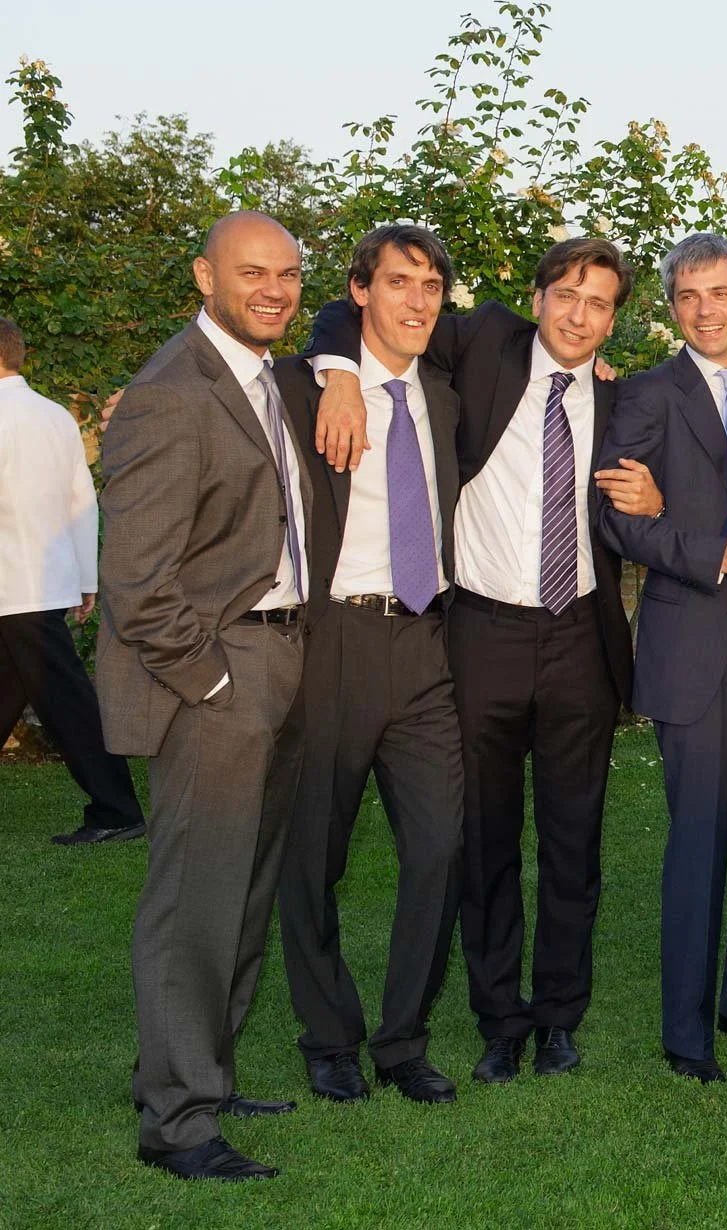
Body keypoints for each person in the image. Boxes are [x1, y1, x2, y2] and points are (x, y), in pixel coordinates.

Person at [306, 238, 635, 1085]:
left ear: (613, 320)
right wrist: (336, 372)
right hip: (481, 634)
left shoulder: (625, 398)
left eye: (599, 304)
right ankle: (500, 1019)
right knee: (482, 840)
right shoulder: (481, 341)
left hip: (580, 639)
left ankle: (559, 1016)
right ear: (536, 296)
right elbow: (364, 314)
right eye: (567, 295)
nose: (579, 316)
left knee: (573, 842)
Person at [99, 211, 311, 1180]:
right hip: (218, 673)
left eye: (287, 273)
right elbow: (136, 580)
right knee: (195, 900)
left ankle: (204, 1076)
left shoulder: (270, 378)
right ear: (204, 276)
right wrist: (212, 679)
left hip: (282, 657)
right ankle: (177, 1123)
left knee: (244, 889)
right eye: (251, 272)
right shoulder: (168, 393)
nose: (273, 289)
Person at [274, 224, 466, 1107]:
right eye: (397, 283)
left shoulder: (448, 394)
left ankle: (403, 1040)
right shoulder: (301, 388)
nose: (417, 301)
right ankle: (328, 1036)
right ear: (359, 291)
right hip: (333, 643)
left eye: (430, 286)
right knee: (313, 854)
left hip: (426, 641)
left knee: (440, 846)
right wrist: (338, 367)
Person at [594, 233, 727, 1083]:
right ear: (671, 307)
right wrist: (716, 551)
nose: (705, 310)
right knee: (700, 840)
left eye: (719, 293)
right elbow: (617, 519)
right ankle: (687, 1032)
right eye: (688, 296)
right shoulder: (644, 396)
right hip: (693, 645)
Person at [0, 317, 144, 845]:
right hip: (44, 581)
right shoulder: (56, 415)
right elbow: (83, 500)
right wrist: (85, 579)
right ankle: (116, 808)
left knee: (68, 702)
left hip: (12, 586)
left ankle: (117, 810)